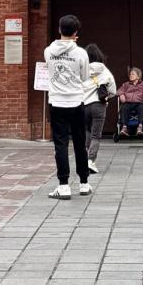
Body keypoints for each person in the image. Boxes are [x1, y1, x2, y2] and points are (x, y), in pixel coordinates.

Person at [44, 13, 91, 199]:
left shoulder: (48, 51)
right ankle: (84, 183)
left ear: (59, 29)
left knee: (61, 144)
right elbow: (85, 77)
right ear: (76, 32)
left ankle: (63, 186)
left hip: (57, 102)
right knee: (80, 143)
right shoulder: (81, 53)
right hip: (76, 101)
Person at [82, 42, 116, 174]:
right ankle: (91, 161)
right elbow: (112, 90)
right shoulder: (105, 70)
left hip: (84, 105)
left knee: (86, 131)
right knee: (96, 135)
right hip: (98, 105)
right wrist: (106, 97)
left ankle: (84, 158)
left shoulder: (81, 71)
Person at [117, 66, 143, 137]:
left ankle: (140, 127)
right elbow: (119, 90)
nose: (130, 75)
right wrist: (121, 94)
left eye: (133, 74)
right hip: (128, 103)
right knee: (123, 108)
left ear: (138, 76)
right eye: (130, 74)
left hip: (139, 103)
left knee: (142, 108)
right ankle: (124, 128)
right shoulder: (126, 84)